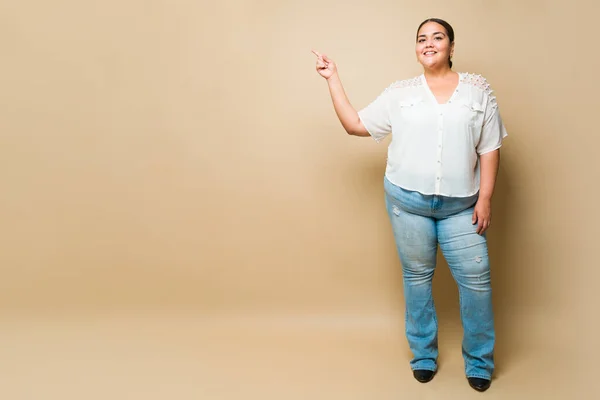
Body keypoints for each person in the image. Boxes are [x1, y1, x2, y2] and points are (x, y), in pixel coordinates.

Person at [312, 18, 508, 392]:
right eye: (422, 39)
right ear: (416, 49)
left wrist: (485, 198)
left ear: (451, 46)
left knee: (477, 283)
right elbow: (354, 124)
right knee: (417, 281)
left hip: (461, 209)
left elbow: (490, 146)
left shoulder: (477, 91)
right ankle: (423, 357)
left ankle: (479, 362)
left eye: (438, 37)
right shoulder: (399, 93)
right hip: (408, 205)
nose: (429, 43)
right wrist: (332, 77)